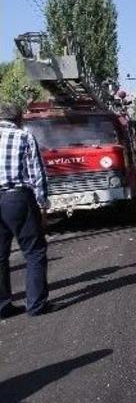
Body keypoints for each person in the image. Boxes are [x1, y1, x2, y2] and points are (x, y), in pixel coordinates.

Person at [0, 102, 51, 318]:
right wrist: (43, 205)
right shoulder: (24, 136)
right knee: (34, 251)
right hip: (17, 198)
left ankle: (3, 306)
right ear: (19, 118)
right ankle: (36, 305)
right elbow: (37, 174)